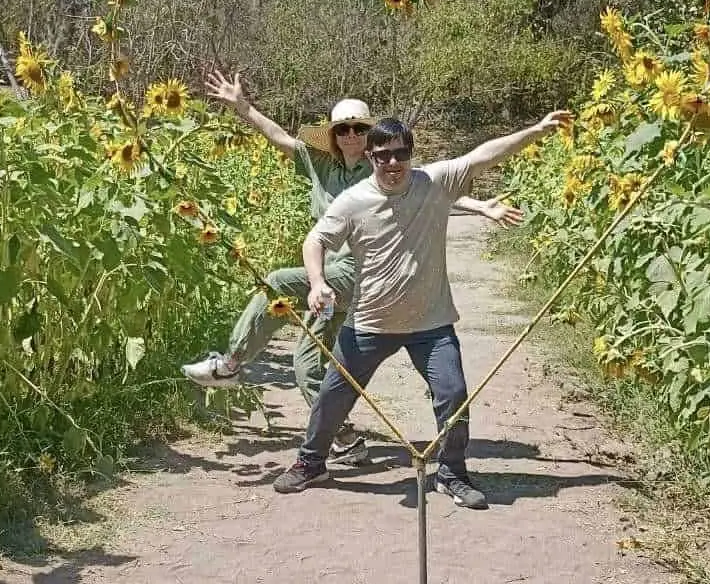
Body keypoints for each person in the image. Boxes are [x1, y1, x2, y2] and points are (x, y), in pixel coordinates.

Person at [181, 70, 519, 465]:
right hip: (327, 279)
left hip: (363, 274)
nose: (351, 136)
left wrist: (480, 206)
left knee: (275, 282)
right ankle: (341, 437)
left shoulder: (381, 166)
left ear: (371, 135)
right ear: (334, 135)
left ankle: (231, 363)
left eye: (359, 128)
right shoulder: (320, 165)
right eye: (343, 129)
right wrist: (243, 108)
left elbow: (428, 193)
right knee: (307, 361)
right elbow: (280, 138)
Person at [273, 109, 571, 507]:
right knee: (331, 396)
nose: (392, 163)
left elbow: (484, 156)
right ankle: (312, 463)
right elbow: (315, 241)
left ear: (411, 153)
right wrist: (317, 281)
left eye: (400, 153)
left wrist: (534, 131)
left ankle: (451, 474)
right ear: (370, 157)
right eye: (383, 155)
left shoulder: (433, 182)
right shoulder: (353, 201)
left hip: (431, 324)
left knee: (453, 395)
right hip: (368, 323)